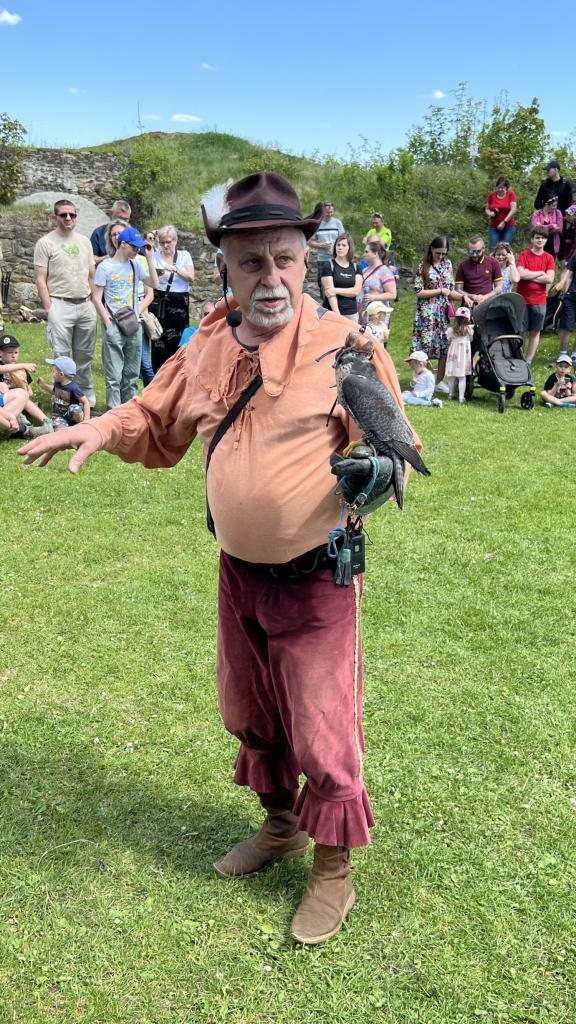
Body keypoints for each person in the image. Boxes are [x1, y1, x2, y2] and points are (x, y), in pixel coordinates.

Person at [19, 170, 422, 947]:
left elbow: (396, 448)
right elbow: (151, 414)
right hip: (239, 575)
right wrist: (96, 428)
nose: (271, 279)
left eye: (285, 260)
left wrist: (376, 475)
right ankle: (281, 829)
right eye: (252, 263)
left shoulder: (347, 347)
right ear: (224, 269)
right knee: (250, 712)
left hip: (317, 580)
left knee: (322, 728)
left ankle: (334, 868)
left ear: (306, 260)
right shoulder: (205, 345)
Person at [33, 199, 98, 408]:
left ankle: (85, 398)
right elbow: (40, 278)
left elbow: (91, 275)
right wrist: (49, 308)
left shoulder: (85, 242)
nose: (68, 218)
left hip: (85, 304)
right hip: (60, 304)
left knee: (85, 355)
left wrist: (93, 302)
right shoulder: (45, 243)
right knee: (61, 356)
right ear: (55, 217)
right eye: (63, 215)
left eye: (72, 214)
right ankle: (62, 401)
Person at [92, 226, 159, 408]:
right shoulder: (105, 267)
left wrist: (150, 258)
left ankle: (128, 411)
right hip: (114, 324)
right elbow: (96, 298)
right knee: (113, 375)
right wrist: (107, 322)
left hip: (133, 325)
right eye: (134, 246)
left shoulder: (136, 265)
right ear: (122, 244)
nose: (137, 250)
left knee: (131, 374)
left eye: (139, 247)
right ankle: (114, 412)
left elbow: (155, 283)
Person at [411, 235, 461, 394]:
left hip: (442, 313)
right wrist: (439, 291)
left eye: (444, 253)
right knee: (423, 348)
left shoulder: (448, 264)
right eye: (438, 253)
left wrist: (464, 297)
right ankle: (420, 379)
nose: (441, 256)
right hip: (426, 313)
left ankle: (438, 381)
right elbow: (418, 291)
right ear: (431, 249)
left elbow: (450, 289)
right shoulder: (423, 265)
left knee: (444, 347)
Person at [151, 225, 195, 371]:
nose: (165, 245)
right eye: (162, 242)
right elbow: (150, 279)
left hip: (179, 301)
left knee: (179, 339)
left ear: (175, 241)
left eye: (168, 242)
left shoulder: (184, 255)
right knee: (159, 337)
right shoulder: (155, 256)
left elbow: (191, 277)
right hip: (160, 301)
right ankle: (159, 372)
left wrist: (176, 269)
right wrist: (160, 271)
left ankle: (177, 371)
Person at [0, 334, 54, 436]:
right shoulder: (6, 366)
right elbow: (2, 369)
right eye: (10, 353)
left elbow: (30, 392)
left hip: (14, 401)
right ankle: (23, 427)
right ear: (0, 353)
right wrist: (23, 365)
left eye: (16, 352)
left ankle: (47, 421)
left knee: (26, 398)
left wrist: (25, 393)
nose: (13, 355)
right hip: (5, 402)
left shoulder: (21, 370)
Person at [515, 227, 555, 364]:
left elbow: (549, 279)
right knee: (521, 331)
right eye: (537, 237)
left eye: (543, 238)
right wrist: (540, 273)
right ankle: (519, 357)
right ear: (532, 239)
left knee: (535, 331)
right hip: (522, 299)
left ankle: (528, 360)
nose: (540, 240)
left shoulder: (549, 258)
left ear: (546, 240)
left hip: (539, 300)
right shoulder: (524, 255)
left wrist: (529, 274)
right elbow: (520, 274)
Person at [36, 355, 91, 427]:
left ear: (61, 374)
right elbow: (54, 391)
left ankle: (79, 425)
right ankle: (67, 428)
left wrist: (86, 419)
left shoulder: (73, 388)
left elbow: (85, 402)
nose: (51, 373)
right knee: (58, 429)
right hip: (59, 416)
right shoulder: (57, 384)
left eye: (53, 371)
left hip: (71, 414)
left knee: (75, 408)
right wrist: (43, 385)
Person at [320, 233, 362, 322]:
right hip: (332, 313)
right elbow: (330, 293)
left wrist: (335, 290)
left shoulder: (356, 268)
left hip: (351, 313)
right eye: (338, 245)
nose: (340, 247)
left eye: (343, 245)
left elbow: (356, 291)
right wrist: (337, 315)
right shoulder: (328, 266)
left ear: (349, 248)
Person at [455, 236, 502, 310]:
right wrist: (472, 296)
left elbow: (499, 288)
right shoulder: (463, 266)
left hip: (488, 304)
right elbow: (458, 290)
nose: (474, 255)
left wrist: (485, 297)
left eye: (477, 252)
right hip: (469, 304)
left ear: (483, 249)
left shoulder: (493, 262)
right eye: (471, 252)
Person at [308, 202, 345, 293]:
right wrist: (320, 245)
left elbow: (344, 239)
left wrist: (338, 248)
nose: (330, 214)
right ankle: (324, 299)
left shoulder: (337, 223)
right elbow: (310, 241)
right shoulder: (318, 224)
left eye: (331, 212)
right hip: (322, 258)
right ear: (323, 212)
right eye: (327, 212)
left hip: (336, 258)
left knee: (337, 281)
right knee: (322, 282)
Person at [360, 241, 397, 326]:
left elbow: (392, 294)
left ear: (375, 253)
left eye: (366, 252)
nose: (363, 255)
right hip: (364, 313)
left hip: (377, 315)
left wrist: (373, 297)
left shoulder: (385, 271)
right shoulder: (364, 270)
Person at [551, 248, 576, 365]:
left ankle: (574, 356)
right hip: (571, 296)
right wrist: (566, 293)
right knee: (566, 326)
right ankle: (563, 355)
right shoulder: (575, 256)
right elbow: (569, 275)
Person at [90, 199, 132, 265]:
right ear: (111, 214)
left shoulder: (133, 234)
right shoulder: (98, 233)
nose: (122, 222)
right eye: (119, 218)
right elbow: (90, 259)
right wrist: (105, 258)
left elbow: (142, 257)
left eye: (125, 219)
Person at [445, 307, 473, 403]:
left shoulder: (451, 330)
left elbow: (448, 340)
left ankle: (450, 394)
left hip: (453, 356)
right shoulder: (469, 330)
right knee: (462, 377)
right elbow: (471, 339)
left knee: (451, 376)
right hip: (464, 357)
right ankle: (461, 397)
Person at [486, 177, 517, 250]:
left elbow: (513, 209)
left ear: (506, 188)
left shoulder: (511, 194)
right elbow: (487, 209)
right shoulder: (492, 195)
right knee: (493, 247)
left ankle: (507, 258)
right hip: (494, 226)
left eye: (502, 188)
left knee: (505, 248)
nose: (500, 189)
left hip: (508, 226)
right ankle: (493, 258)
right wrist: (490, 213)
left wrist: (504, 222)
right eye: (498, 187)